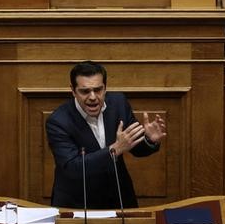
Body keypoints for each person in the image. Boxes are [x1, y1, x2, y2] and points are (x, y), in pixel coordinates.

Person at [46, 61, 167, 209]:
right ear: (73, 91)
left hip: (119, 201)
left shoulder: (118, 103)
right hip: (78, 204)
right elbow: (73, 168)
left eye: (98, 90)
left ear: (105, 88)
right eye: (85, 91)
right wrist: (114, 150)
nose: (93, 97)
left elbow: (134, 147)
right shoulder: (58, 121)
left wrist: (149, 140)